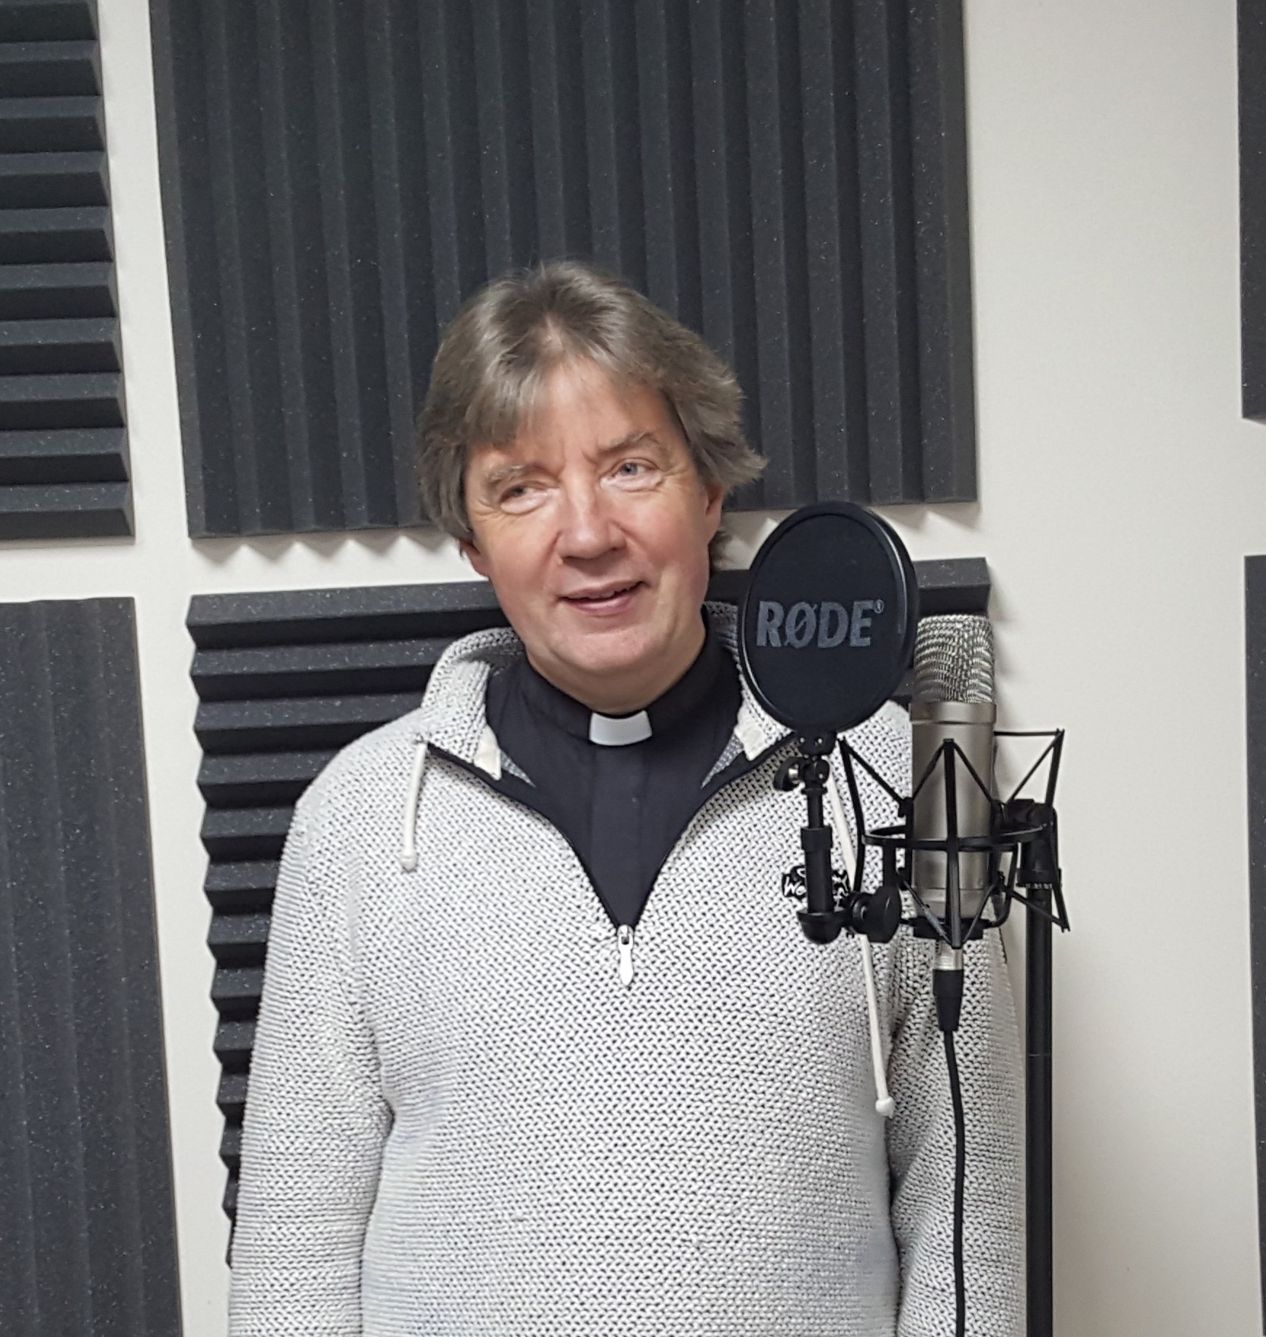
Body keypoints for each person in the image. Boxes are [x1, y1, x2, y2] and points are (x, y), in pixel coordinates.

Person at [228, 261, 1023, 1336]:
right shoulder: (359, 816)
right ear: (471, 538)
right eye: (520, 487)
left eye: (630, 467)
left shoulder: (892, 776)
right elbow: (294, 1237)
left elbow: (969, 1195)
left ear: (708, 492)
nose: (589, 532)